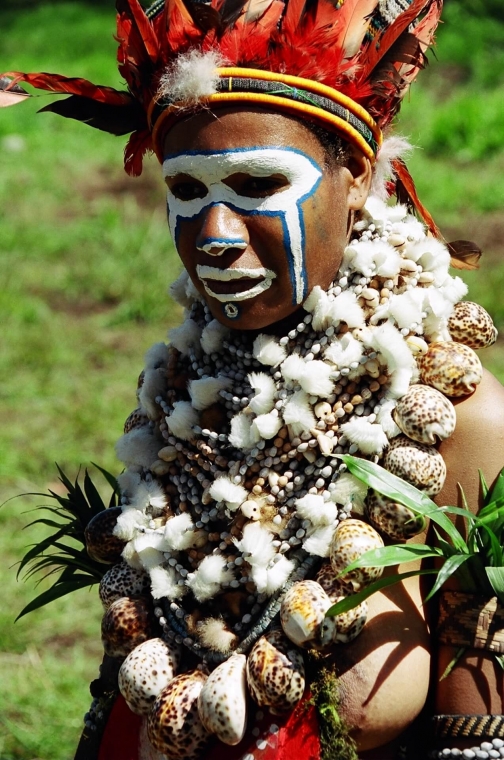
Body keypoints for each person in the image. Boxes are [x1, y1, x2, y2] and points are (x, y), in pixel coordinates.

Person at [3, 0, 504, 758]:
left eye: (259, 184)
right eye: (188, 192)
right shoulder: (183, 396)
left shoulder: (456, 421)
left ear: (358, 175)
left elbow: (484, 739)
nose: (215, 236)